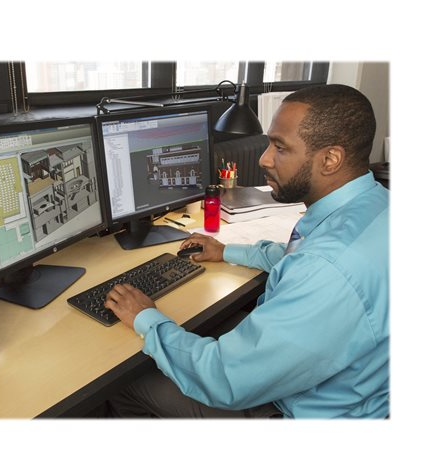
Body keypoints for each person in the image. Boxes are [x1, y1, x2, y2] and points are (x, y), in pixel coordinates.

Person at [103, 84, 389, 419]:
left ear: (330, 159)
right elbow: (301, 256)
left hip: (301, 411)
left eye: (279, 147)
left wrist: (146, 317)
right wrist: (226, 251)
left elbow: (223, 379)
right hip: (361, 389)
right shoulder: (376, 205)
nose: (264, 158)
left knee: (125, 382)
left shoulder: (326, 269)